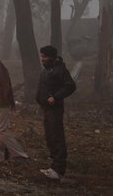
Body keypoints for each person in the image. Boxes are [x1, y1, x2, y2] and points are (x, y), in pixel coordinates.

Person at [37, 45, 76, 180]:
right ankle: (53, 167)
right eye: (42, 56)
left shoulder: (60, 69)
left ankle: (59, 169)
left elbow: (70, 85)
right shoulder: (47, 70)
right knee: (50, 136)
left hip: (55, 109)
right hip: (46, 109)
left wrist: (56, 97)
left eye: (45, 57)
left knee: (57, 136)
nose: (43, 59)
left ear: (52, 57)